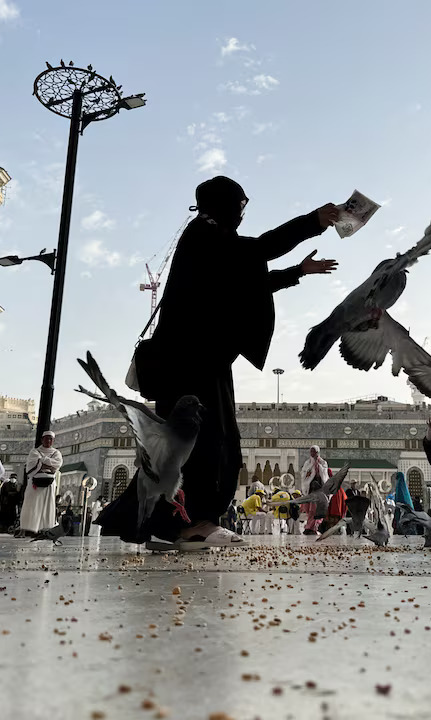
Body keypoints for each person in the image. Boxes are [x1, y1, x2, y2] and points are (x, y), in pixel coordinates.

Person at [100, 176, 338, 549]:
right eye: (239, 207)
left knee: (186, 445)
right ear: (223, 204)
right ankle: (193, 524)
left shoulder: (208, 240)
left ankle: (166, 525)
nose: (241, 214)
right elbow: (260, 249)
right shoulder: (204, 235)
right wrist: (313, 221)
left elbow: (247, 282)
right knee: (208, 442)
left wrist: (298, 273)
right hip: (192, 362)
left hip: (195, 359)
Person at [20, 431, 63, 536]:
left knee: (47, 506)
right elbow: (31, 466)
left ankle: (44, 529)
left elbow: (57, 465)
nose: (48, 441)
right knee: (33, 505)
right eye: (46, 438)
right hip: (35, 483)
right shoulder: (34, 451)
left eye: (50, 439)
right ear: (42, 439)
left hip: (49, 483)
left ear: (53, 441)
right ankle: (31, 528)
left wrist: (42, 462)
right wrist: (48, 465)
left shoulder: (56, 453)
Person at [300, 445, 329, 536]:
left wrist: (318, 466)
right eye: (311, 452)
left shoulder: (323, 462)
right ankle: (309, 527)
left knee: (316, 510)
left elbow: (324, 474)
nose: (313, 454)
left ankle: (312, 527)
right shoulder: (307, 463)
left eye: (314, 452)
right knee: (310, 510)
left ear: (318, 452)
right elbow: (304, 474)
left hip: (319, 489)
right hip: (311, 489)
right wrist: (311, 468)